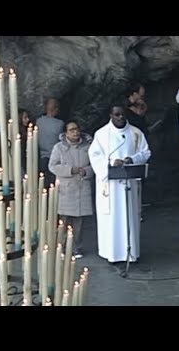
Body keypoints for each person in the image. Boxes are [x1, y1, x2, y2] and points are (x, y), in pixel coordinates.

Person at [88, 105, 151, 263]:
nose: (120, 117)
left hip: (129, 183)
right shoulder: (102, 134)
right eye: (116, 114)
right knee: (113, 219)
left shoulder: (135, 133)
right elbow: (94, 155)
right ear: (110, 115)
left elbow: (145, 152)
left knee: (129, 216)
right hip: (111, 187)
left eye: (122, 114)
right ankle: (112, 253)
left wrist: (133, 159)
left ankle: (131, 252)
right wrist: (110, 162)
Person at [49, 120, 94, 259]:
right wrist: (70, 170)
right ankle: (61, 246)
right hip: (66, 188)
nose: (76, 132)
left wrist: (86, 171)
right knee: (64, 220)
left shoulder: (88, 146)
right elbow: (53, 166)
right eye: (72, 129)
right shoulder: (59, 147)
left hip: (82, 186)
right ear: (66, 132)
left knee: (79, 222)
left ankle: (77, 247)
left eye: (77, 129)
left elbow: (96, 164)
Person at [36, 98, 64, 189]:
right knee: (53, 184)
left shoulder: (38, 121)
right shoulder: (60, 124)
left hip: (41, 157)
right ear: (56, 109)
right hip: (54, 158)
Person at [18, 108, 31, 175]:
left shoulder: (26, 131)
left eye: (28, 117)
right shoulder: (18, 134)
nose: (28, 120)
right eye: (25, 118)